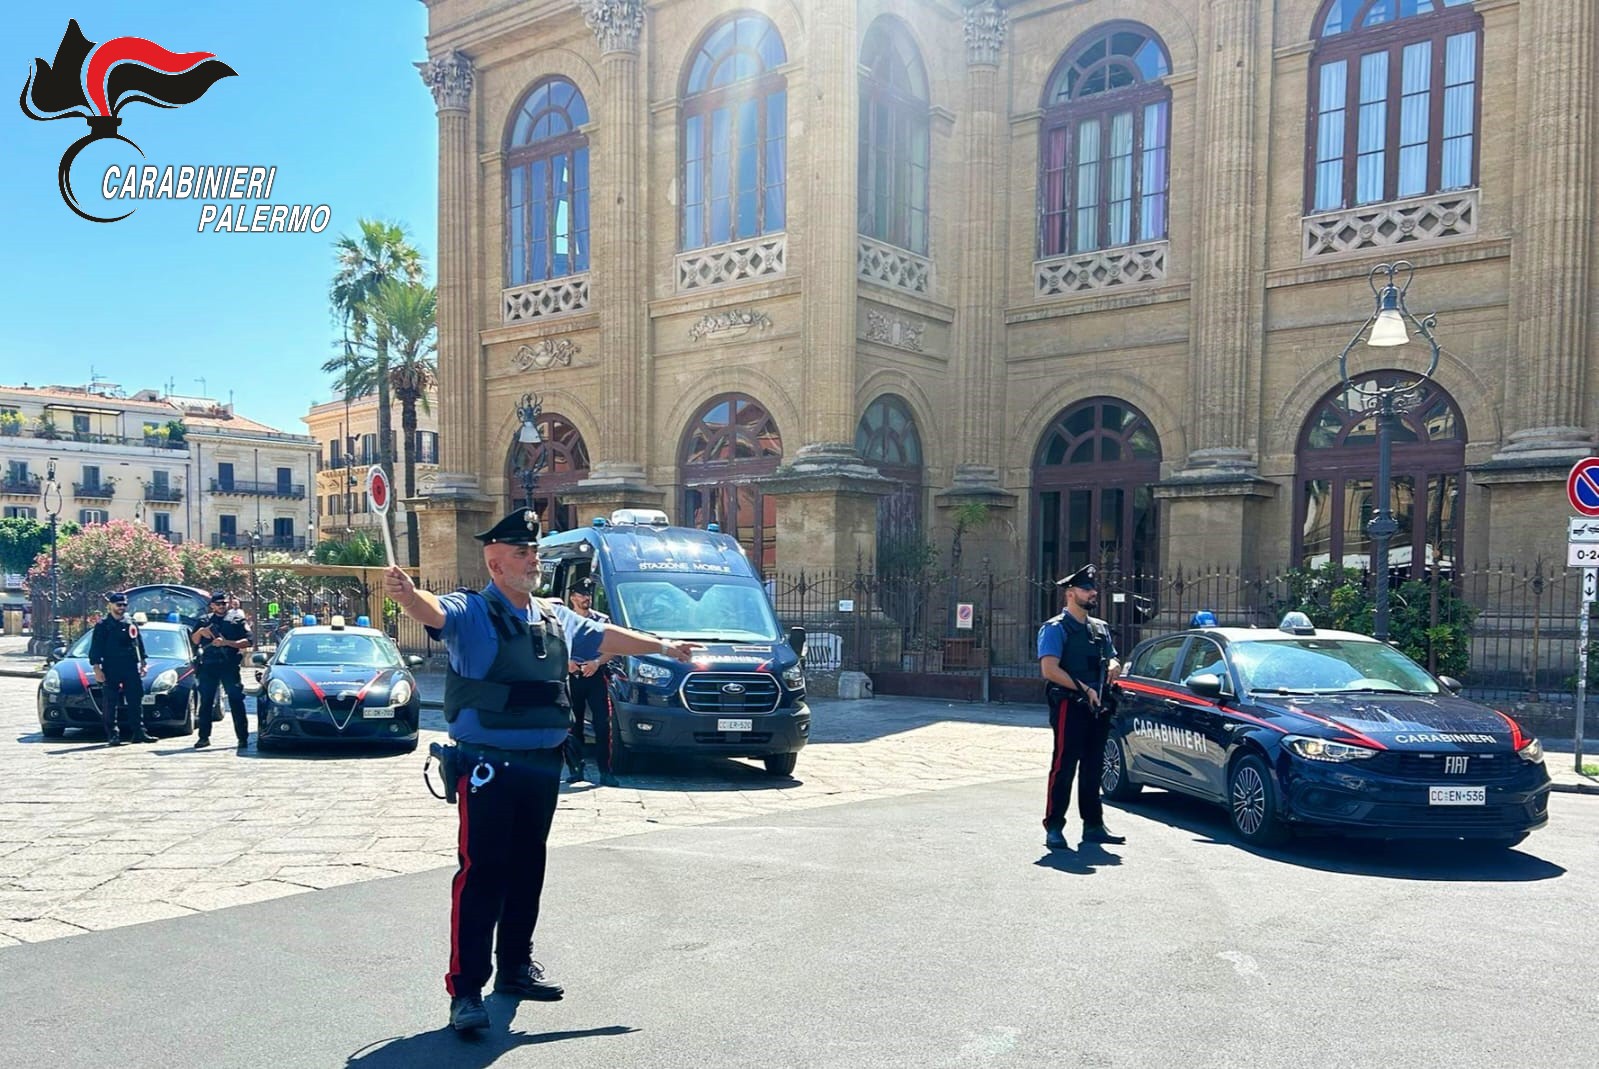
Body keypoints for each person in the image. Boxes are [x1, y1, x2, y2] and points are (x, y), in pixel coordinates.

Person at [384, 508, 697, 1035]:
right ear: (495, 562)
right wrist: (406, 594)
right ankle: (465, 992)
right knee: (482, 875)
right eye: (522, 552)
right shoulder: (471, 611)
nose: (533, 558)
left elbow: (604, 636)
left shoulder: (552, 616)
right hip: (486, 765)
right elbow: (431, 611)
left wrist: (663, 646)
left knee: (528, 870)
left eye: (533, 550)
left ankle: (513, 970)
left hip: (541, 766)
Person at [1037, 564, 1124, 850]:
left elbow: (1112, 657)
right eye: (1087, 589)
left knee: (1093, 767)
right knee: (1064, 765)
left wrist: (1114, 664)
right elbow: (1049, 670)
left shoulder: (1100, 628)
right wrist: (1083, 688)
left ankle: (1094, 825)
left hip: (1098, 706)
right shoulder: (1055, 629)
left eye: (1093, 589)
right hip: (1069, 704)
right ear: (1071, 593)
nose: (1093, 593)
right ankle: (1054, 826)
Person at [563, 575, 618, 787]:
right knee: (573, 725)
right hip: (572, 676)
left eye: (588, 594)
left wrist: (596, 662)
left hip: (595, 676)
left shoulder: (601, 621)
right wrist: (566, 661)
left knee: (603, 724)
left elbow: (613, 648)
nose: (586, 598)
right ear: (573, 598)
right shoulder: (564, 619)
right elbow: (555, 644)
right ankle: (576, 768)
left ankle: (606, 771)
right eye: (582, 595)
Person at [191, 591, 252, 752]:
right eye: (218, 604)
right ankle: (203, 737)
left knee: (236, 700)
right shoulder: (204, 621)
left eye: (224, 603)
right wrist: (200, 632)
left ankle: (242, 737)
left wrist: (226, 643)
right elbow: (194, 641)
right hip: (209, 666)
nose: (221, 606)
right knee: (206, 702)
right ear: (212, 605)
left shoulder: (236, 620)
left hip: (228, 665)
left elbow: (248, 641)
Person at [89, 592, 151, 745]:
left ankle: (138, 732)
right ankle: (113, 734)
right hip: (111, 667)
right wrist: (97, 668)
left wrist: (143, 661)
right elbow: (96, 648)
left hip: (130, 666)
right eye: (118, 605)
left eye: (124, 605)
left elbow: (138, 643)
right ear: (110, 605)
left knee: (135, 699)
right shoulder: (103, 625)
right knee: (110, 702)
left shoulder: (130, 622)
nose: (121, 608)